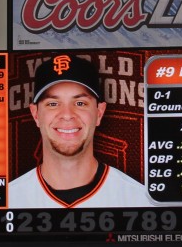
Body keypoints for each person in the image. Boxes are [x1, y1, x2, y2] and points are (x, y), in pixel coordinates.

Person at [8, 54, 151, 208]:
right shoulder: (7, 201)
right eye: (53, 103)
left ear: (99, 113)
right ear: (35, 114)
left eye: (80, 103)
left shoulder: (140, 201)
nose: (67, 115)